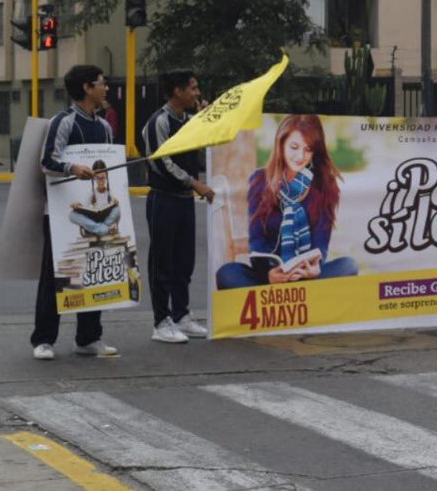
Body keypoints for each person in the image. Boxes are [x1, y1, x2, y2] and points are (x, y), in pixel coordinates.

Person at [32, 64, 119, 360]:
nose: (105, 87)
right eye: (101, 83)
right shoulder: (64, 122)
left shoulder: (105, 127)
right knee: (56, 276)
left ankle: (88, 337)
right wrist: (72, 168)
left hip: (97, 208)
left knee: (94, 271)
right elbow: (47, 162)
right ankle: (44, 339)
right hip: (59, 212)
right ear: (86, 88)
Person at [215, 114, 359, 289]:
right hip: (270, 277)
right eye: (294, 147)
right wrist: (269, 274)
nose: (300, 156)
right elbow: (257, 240)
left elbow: (321, 244)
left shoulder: (325, 185)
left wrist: (314, 270)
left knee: (348, 266)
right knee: (228, 274)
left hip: (306, 277)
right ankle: (291, 298)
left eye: (308, 149)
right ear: (281, 145)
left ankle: (294, 296)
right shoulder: (261, 180)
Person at [141, 70, 216, 344]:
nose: (197, 93)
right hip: (164, 199)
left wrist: (207, 120)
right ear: (177, 91)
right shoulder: (158, 121)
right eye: (193, 88)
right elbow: (160, 162)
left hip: (184, 201)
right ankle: (161, 322)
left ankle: (182, 315)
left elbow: (205, 148)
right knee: (162, 262)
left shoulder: (190, 120)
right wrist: (194, 183)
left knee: (184, 261)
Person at [67, 160, 121, 238]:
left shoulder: (110, 192)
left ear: (106, 177)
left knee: (117, 210)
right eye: (97, 179)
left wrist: (115, 203)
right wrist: (77, 205)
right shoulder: (91, 193)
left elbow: (117, 215)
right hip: (93, 220)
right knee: (72, 215)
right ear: (94, 179)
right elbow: (84, 208)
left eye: (102, 178)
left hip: (106, 219)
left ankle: (95, 230)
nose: (100, 181)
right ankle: (104, 230)